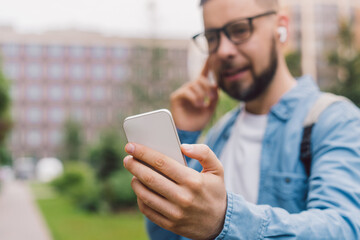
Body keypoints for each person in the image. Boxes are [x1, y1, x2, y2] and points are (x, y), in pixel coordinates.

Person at [123, 0, 360, 239]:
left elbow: (345, 228)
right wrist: (183, 134)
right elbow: (166, 236)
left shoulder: (336, 121)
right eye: (213, 38)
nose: (224, 50)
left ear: (282, 28)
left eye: (240, 30)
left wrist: (223, 220)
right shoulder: (220, 132)